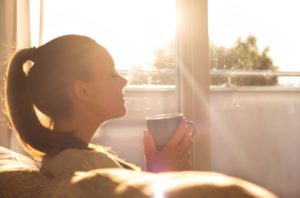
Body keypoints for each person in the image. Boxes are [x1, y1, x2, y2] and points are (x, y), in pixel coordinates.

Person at [4, 34, 194, 176]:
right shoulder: (88, 168)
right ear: (83, 92)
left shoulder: (67, 161)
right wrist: (161, 173)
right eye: (112, 74)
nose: (123, 81)